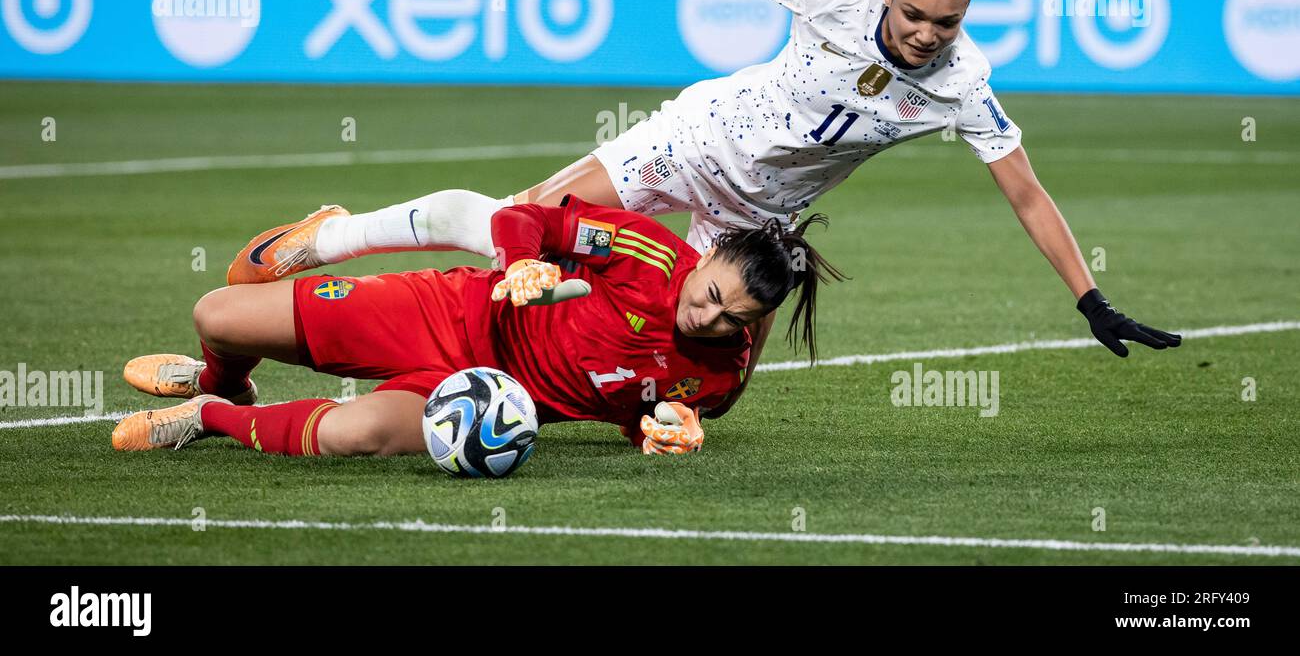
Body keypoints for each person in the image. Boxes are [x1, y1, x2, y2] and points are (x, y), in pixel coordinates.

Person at [225, 0, 1180, 419]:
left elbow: (1025, 188)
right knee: (523, 223)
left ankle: (591, 408)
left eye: (947, 24)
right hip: (692, 141)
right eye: (917, 15)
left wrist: (1089, 296)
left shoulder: (966, 83)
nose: (929, 35)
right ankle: (334, 237)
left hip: (760, 223)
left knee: (696, 365)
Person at [113, 196, 842, 457]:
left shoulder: (716, 379)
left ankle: (206, 416)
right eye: (711, 292)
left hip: (488, 400)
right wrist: (523, 262)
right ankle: (221, 380)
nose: (705, 314)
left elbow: (639, 408)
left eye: (729, 318)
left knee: (351, 435)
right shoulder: (646, 252)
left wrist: (658, 428)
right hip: (444, 311)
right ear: (707, 252)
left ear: (753, 326)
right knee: (218, 312)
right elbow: (523, 218)